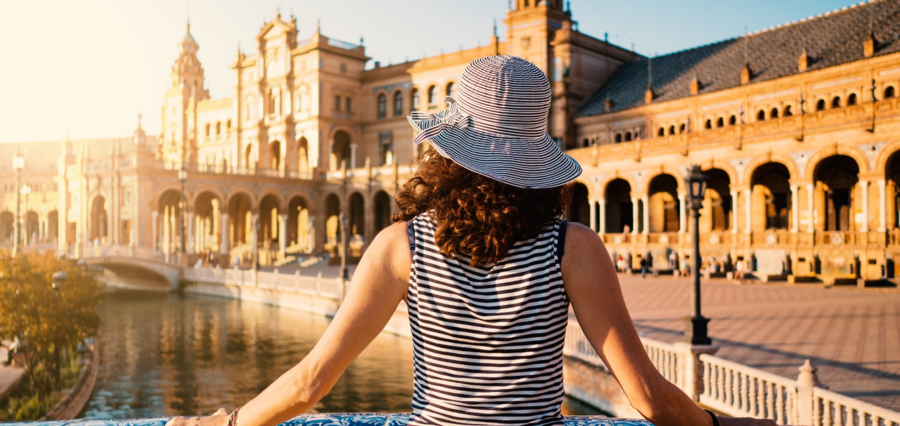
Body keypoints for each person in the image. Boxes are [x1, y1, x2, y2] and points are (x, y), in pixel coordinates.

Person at [167, 56, 771, 426]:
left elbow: (311, 382)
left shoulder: (400, 246)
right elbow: (648, 398)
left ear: (452, 149)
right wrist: (718, 425)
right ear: (535, 156)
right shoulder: (574, 247)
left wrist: (226, 423)